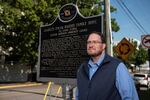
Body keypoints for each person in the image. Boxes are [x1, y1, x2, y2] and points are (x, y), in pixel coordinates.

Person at [76, 31, 139, 100]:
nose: (91, 45)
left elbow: (130, 97)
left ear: (103, 46)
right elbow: (78, 96)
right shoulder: (81, 69)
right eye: (89, 42)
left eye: (95, 42)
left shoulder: (117, 67)